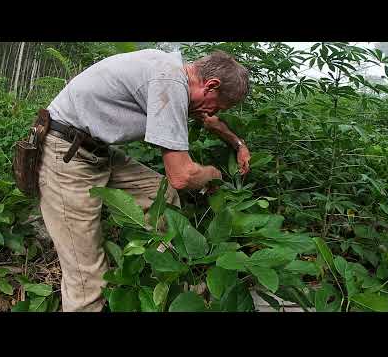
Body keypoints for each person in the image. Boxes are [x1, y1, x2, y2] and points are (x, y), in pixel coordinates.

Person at [37, 48, 251, 312]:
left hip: (96, 150)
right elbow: (182, 176)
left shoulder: (177, 74)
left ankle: (162, 278)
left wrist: (237, 143)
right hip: (65, 155)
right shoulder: (170, 82)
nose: (211, 111)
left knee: (161, 195)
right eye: (217, 104)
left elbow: (210, 120)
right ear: (211, 85)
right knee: (85, 274)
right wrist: (213, 174)